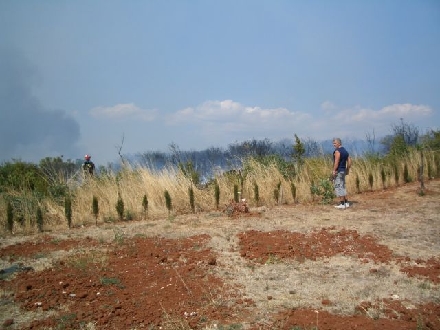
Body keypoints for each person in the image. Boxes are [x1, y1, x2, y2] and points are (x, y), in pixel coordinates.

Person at [332, 138, 351, 209]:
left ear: (339, 143)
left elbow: (336, 162)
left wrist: (334, 170)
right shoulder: (345, 151)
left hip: (338, 171)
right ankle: (346, 203)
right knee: (342, 186)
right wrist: (347, 169)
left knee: (338, 186)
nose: (334, 145)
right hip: (343, 171)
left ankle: (342, 204)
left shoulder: (337, 151)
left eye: (335, 143)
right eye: (333, 143)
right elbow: (349, 161)